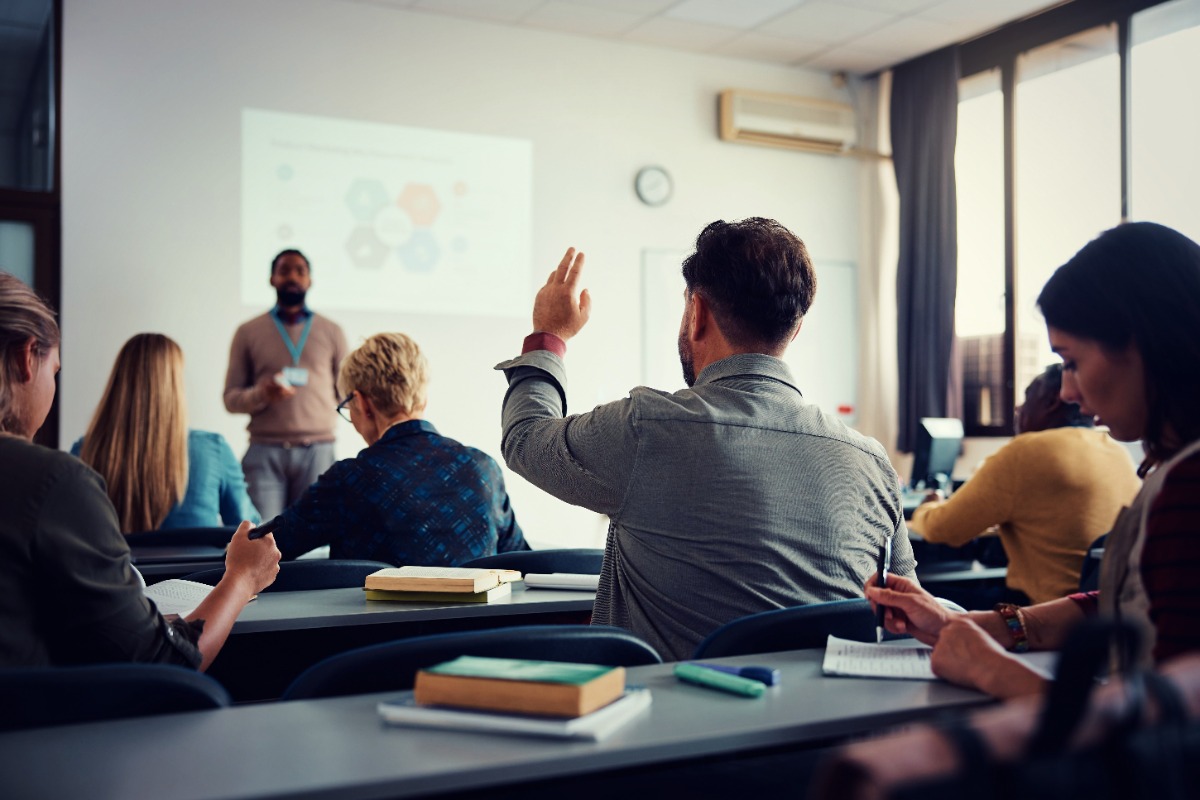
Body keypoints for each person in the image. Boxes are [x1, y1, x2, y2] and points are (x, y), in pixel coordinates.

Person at [495, 218, 916, 660]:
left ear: (697, 313)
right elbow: (908, 613)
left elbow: (526, 437)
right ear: (795, 329)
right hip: (827, 724)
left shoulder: (649, 429)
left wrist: (550, 335)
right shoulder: (872, 462)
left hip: (671, 725)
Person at [866, 221, 1200, 698]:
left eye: (1072, 361)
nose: (1067, 391)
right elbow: (1127, 605)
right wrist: (968, 625)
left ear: (1141, 343)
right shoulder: (1160, 464)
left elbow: (1171, 728)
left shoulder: (1190, 484)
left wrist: (992, 670)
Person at [0, 272, 279, 669]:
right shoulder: (54, 481)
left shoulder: (84, 451)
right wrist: (243, 578)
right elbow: (162, 659)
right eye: (56, 370)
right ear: (27, 358)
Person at [269, 332, 527, 565]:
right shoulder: (483, 469)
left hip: (375, 619)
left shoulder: (348, 479)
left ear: (361, 403)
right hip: (477, 620)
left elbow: (266, 549)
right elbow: (522, 560)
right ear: (423, 398)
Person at [908, 364, 1141, 604]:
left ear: (1052, 402)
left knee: (919, 593)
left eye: (1028, 397)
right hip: (1103, 608)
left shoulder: (1027, 451)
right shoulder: (1117, 451)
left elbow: (944, 530)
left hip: (1043, 611)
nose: (1019, 407)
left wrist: (925, 508)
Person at [72, 333, 260, 532]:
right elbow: (250, 529)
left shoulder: (84, 452)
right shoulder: (213, 450)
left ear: (118, 384)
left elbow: (70, 530)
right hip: (196, 565)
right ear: (175, 385)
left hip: (117, 565)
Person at [224, 249, 349, 519]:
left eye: (300, 271)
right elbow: (230, 399)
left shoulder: (332, 331)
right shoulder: (248, 332)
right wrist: (261, 394)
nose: (292, 276)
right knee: (262, 540)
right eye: (284, 270)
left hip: (318, 452)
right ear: (272, 279)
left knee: (315, 546)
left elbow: (348, 394)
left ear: (310, 280)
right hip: (265, 453)